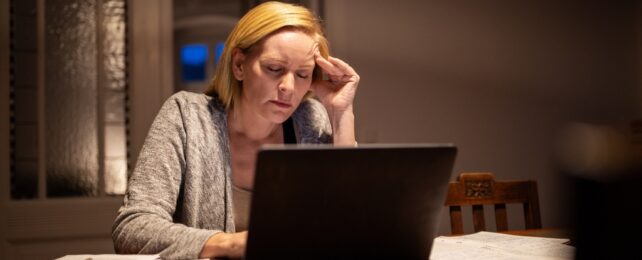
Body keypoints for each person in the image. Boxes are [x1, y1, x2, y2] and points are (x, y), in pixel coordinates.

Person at [112, 1, 359, 259]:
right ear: (239, 65)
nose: (288, 87)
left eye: (302, 74)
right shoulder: (186, 116)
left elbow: (352, 226)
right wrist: (233, 244)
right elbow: (131, 228)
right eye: (274, 69)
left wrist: (341, 115)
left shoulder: (310, 121)